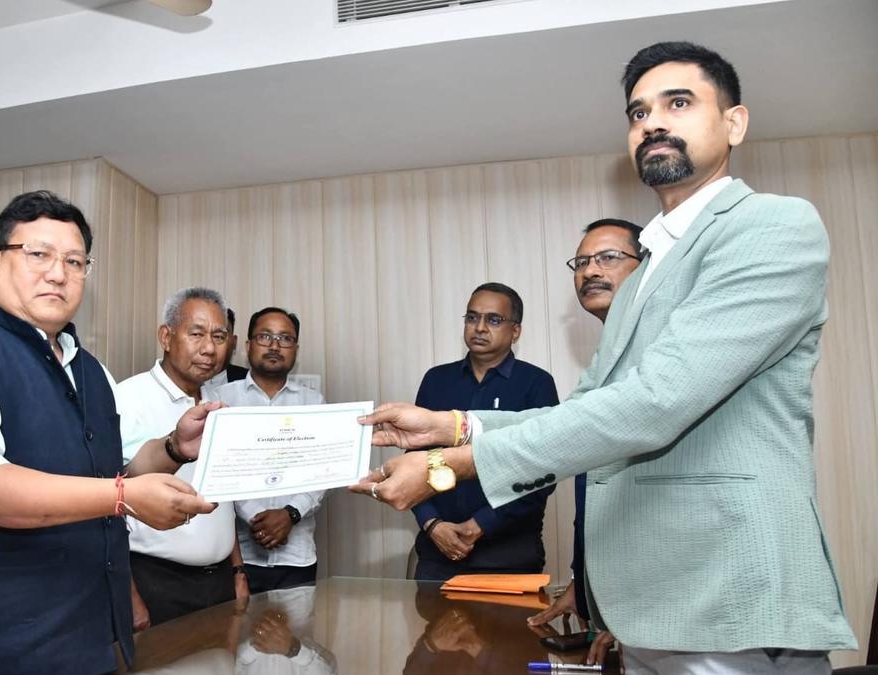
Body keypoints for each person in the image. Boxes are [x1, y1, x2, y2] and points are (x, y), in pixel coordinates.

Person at [354, 41, 857, 673]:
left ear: (735, 123)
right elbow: (588, 411)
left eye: (679, 103)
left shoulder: (771, 225)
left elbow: (655, 404)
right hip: (642, 602)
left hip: (728, 592)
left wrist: (445, 466)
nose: (653, 123)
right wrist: (449, 425)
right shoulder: (642, 277)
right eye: (638, 112)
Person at [0, 190, 220, 674]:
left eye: (74, 261)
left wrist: (174, 447)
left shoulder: (92, 371)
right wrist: (123, 497)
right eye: (38, 254)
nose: (57, 273)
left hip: (88, 636)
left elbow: (117, 471)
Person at [527, 218, 642, 668]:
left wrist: (632, 608)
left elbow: (663, 506)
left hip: (676, 616)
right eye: (581, 262)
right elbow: (596, 485)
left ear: (647, 266)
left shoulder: (663, 353)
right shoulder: (607, 359)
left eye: (608, 257)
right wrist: (584, 584)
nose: (590, 270)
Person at [118, 288, 249, 628]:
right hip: (155, 582)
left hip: (219, 581)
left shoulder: (219, 401)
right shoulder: (127, 399)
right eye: (197, 334)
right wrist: (128, 595)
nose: (209, 348)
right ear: (166, 337)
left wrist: (237, 570)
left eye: (219, 336)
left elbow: (224, 497)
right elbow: (109, 503)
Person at [410, 283, 558, 580]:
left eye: (493, 320)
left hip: (508, 553)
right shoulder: (437, 380)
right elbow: (414, 461)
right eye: (472, 317)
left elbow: (545, 472)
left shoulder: (536, 383)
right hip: (437, 551)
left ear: (515, 331)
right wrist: (432, 524)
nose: (479, 327)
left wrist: (481, 524)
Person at [209, 307, 326, 593]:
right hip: (237, 558)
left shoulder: (314, 403)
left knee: (298, 624)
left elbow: (322, 471)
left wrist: (290, 514)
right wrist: (257, 518)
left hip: (297, 556)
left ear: (296, 349)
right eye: (265, 336)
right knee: (233, 624)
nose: (275, 345)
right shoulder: (221, 399)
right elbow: (218, 470)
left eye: (285, 338)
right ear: (248, 345)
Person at [207, 307, 250, 389]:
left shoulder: (250, 381)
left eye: (218, 336)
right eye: (198, 334)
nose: (209, 346)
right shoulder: (181, 380)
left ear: (234, 342)